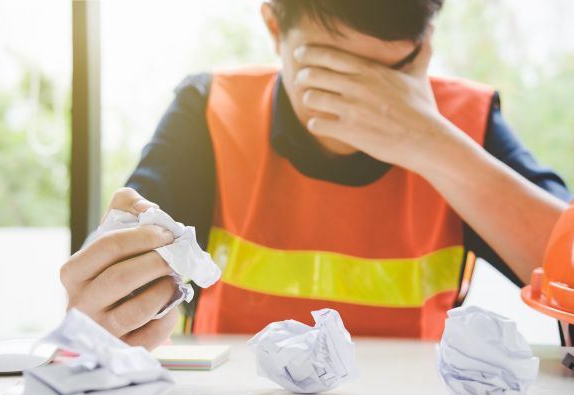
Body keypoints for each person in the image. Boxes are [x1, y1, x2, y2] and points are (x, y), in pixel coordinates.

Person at [60, 0, 571, 349]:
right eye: (333, 74)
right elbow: (109, 293)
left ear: (425, 45)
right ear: (275, 28)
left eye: (388, 76)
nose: (365, 105)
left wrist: (431, 143)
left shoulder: (467, 121)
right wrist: (102, 308)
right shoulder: (211, 111)